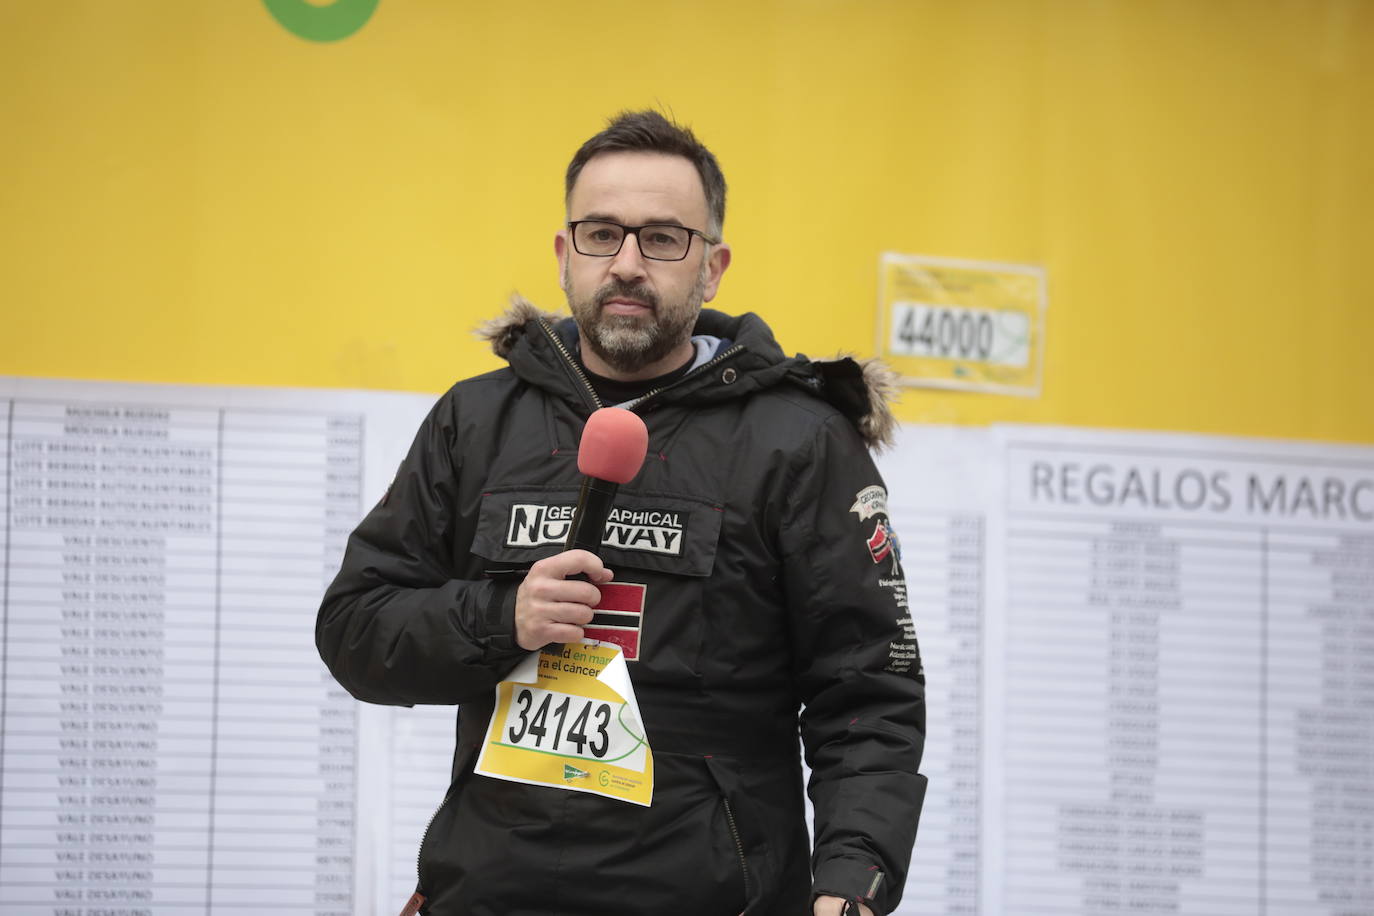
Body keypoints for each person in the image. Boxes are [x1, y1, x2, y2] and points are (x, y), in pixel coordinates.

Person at [317, 110, 927, 916]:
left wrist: (851, 886)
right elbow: (358, 631)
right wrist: (503, 615)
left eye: (664, 238)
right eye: (602, 234)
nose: (629, 263)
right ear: (566, 256)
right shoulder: (476, 422)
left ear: (712, 267)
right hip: (492, 892)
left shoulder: (798, 441)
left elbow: (869, 695)